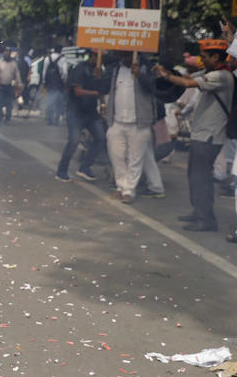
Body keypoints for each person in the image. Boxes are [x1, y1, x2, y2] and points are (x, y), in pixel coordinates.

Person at [154, 39, 233, 233]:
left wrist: (165, 75)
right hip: (201, 134)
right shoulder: (211, 73)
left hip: (209, 136)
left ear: (216, 57)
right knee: (194, 175)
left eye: (205, 57)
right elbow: (187, 75)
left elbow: (187, 82)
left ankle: (207, 220)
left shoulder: (222, 76)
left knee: (202, 178)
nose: (201, 60)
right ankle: (198, 212)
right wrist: (170, 73)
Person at [104, 52, 163, 203]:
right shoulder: (114, 69)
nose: (124, 58)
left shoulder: (147, 68)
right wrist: (98, 76)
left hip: (139, 122)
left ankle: (129, 191)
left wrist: (139, 75)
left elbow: (154, 88)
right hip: (116, 121)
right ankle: (121, 186)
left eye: (127, 55)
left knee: (135, 159)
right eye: (122, 55)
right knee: (116, 156)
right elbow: (102, 87)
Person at [56, 54, 109, 182]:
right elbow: (78, 91)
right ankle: (62, 171)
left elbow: (100, 89)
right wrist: (95, 94)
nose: (100, 60)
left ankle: (85, 167)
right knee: (73, 141)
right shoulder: (80, 69)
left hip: (91, 112)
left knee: (100, 138)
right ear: (92, 56)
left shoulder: (99, 71)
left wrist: (102, 104)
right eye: (99, 57)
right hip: (76, 111)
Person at [0, 45, 21, 123]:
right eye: (6, 52)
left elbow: (17, 74)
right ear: (3, 53)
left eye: (8, 53)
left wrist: (18, 84)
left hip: (9, 85)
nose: (7, 54)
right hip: (0, 85)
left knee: (9, 103)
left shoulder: (13, 63)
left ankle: (8, 117)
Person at [42, 46, 66, 125]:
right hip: (59, 84)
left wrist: (44, 81)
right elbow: (65, 73)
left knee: (50, 100)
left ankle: (49, 118)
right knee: (58, 102)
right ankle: (57, 118)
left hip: (49, 84)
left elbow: (44, 72)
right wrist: (64, 81)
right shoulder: (62, 59)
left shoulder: (47, 58)